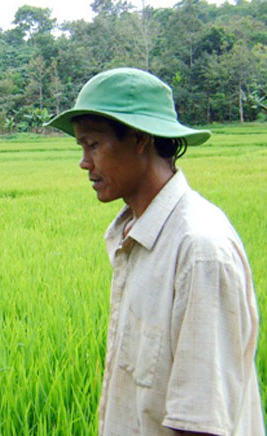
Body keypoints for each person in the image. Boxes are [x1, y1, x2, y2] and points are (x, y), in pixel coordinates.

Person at [45, 68, 264, 436]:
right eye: (81, 147)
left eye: (93, 144)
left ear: (140, 139)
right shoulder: (135, 235)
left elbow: (201, 422)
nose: (84, 162)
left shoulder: (199, 250)